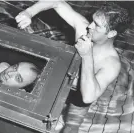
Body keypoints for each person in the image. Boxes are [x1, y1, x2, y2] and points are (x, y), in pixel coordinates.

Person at [15, 1, 132, 133]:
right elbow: (56, 2)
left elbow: (88, 97)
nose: (90, 26)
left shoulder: (111, 63)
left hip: (79, 97)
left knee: (70, 128)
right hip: (60, 79)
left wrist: (87, 56)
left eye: (97, 25)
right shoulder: (84, 29)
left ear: (111, 34)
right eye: (92, 20)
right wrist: (29, 12)